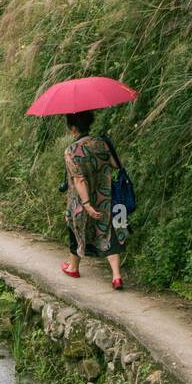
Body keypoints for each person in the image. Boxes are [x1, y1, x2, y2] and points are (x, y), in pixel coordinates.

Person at [60, 111, 126, 289]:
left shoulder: (71, 150)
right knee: (109, 232)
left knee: (76, 230)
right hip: (105, 196)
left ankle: (73, 267)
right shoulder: (101, 143)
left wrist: (87, 204)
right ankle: (116, 276)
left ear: (73, 128)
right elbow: (115, 165)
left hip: (81, 201)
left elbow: (79, 179)